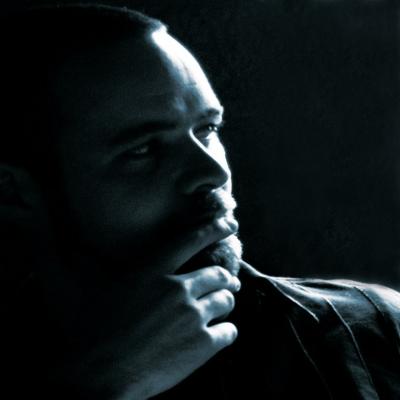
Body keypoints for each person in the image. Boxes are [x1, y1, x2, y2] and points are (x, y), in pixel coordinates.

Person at [0, 4, 398, 399]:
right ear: (14, 192)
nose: (213, 173)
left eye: (207, 129)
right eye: (143, 150)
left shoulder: (374, 334)